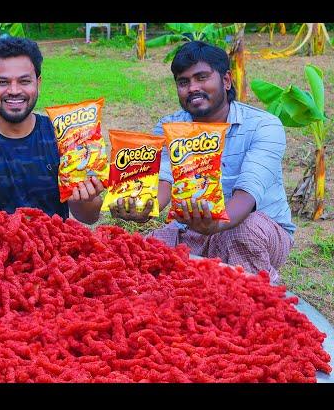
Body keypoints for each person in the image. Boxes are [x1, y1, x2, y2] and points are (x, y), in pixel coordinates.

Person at [110, 41, 295, 285]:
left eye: (202, 77)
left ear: (226, 80)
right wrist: (144, 206)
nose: (192, 88)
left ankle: (254, 296)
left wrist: (216, 224)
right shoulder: (171, 126)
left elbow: (249, 193)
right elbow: (164, 176)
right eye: (183, 82)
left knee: (238, 234)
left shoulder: (263, 125)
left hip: (257, 227)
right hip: (192, 226)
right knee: (140, 259)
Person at [0, 37, 104, 224]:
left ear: (38, 83)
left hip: (53, 248)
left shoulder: (62, 137)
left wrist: (85, 199)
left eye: (24, 81)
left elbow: (89, 218)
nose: (14, 90)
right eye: (2, 82)